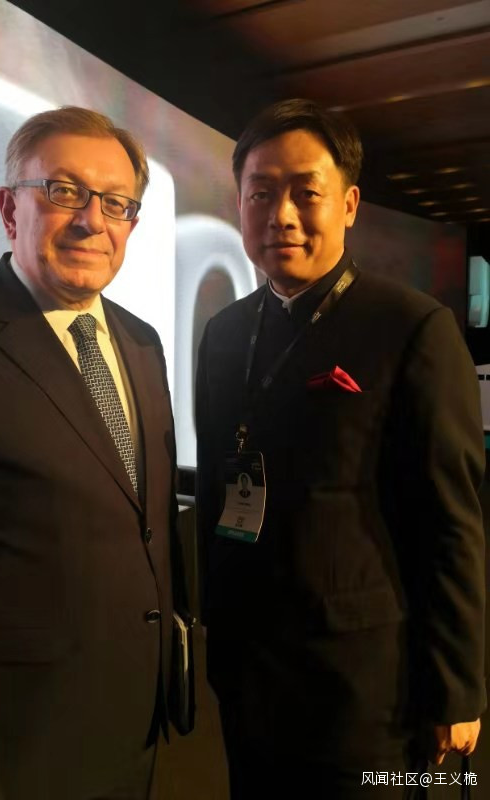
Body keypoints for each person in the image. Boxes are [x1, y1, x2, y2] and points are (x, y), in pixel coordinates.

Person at [195, 98, 486, 798]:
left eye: (306, 193)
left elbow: (452, 521)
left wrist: (456, 687)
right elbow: (214, 486)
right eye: (261, 193)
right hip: (247, 671)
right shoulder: (225, 332)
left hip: (364, 683)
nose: (281, 215)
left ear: (349, 204)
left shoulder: (410, 326)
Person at [0, 106, 182, 800]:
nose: (91, 221)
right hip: (15, 753)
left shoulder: (142, 342)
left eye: (116, 203)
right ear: (8, 208)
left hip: (136, 736)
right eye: (64, 191)